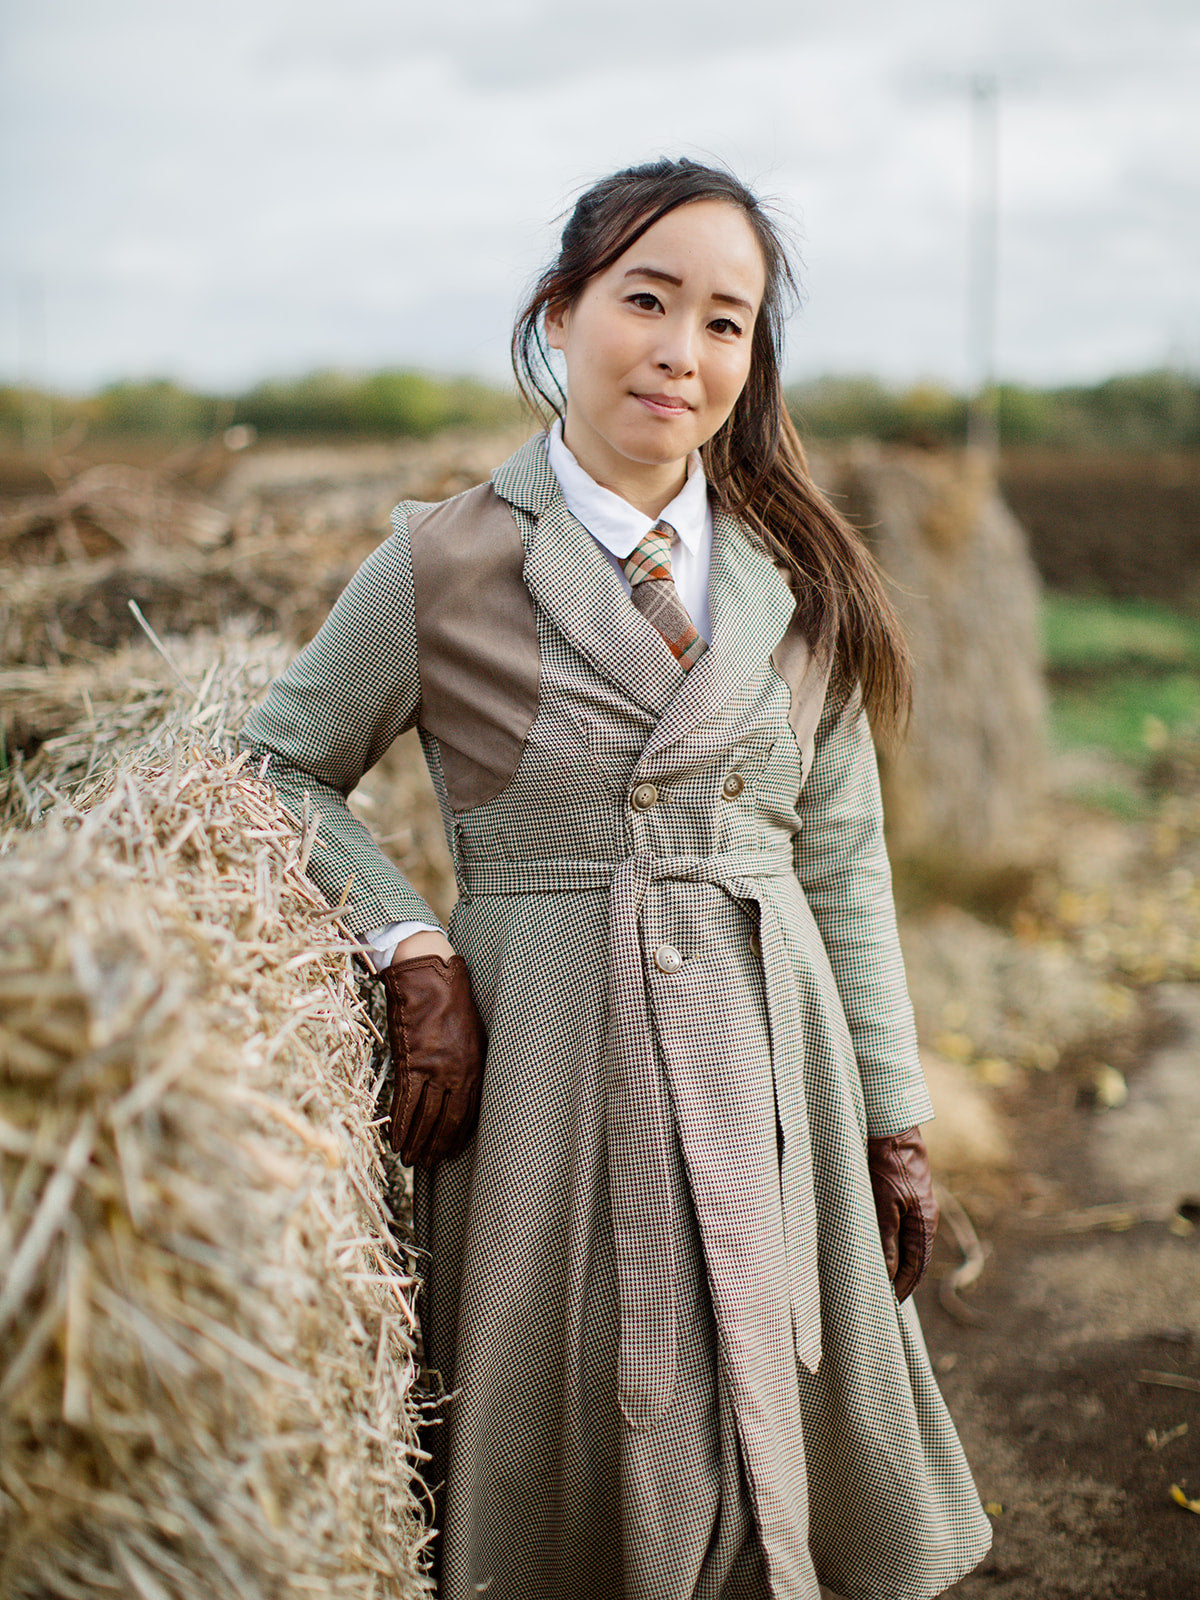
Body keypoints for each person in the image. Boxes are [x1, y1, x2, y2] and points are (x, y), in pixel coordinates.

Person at [241, 156, 993, 1600]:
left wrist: (894, 1116)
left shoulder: (797, 574)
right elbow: (281, 767)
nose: (683, 350)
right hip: (552, 1067)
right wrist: (410, 945)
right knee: (598, 1419)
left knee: (773, 1398)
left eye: (727, 321)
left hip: (776, 1059)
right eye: (647, 301)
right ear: (563, 313)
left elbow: (841, 855)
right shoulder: (445, 560)